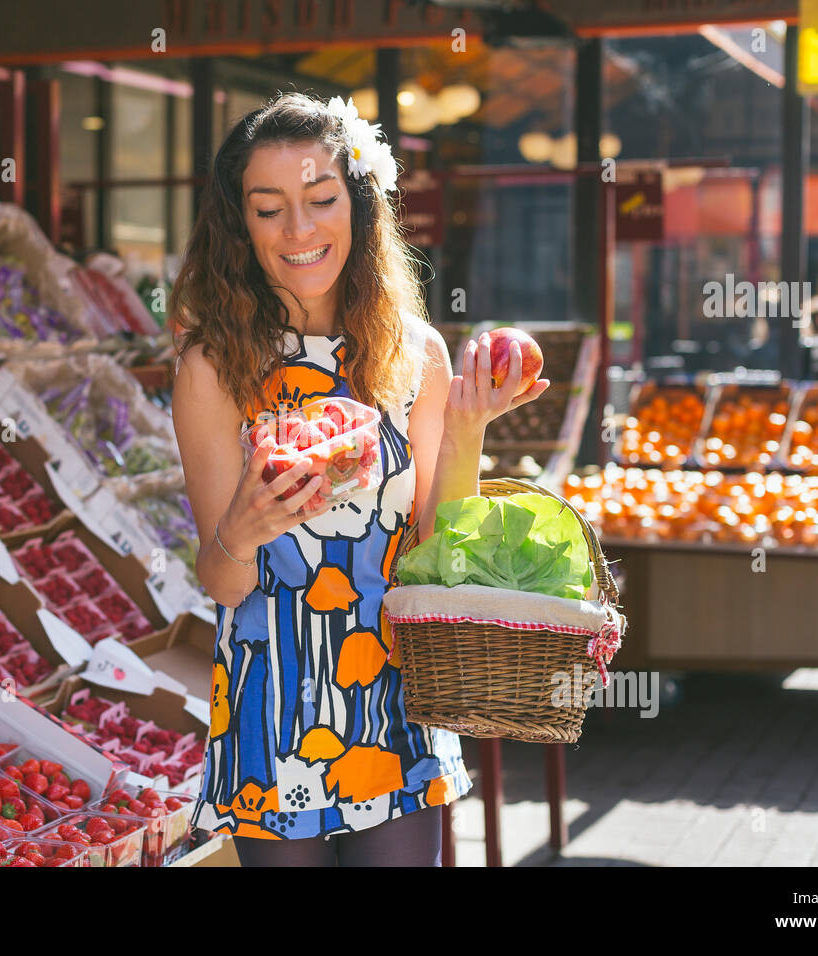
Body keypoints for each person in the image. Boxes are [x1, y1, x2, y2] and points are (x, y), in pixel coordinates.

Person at [168, 92, 550, 867]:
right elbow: (223, 582)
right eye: (268, 208)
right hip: (272, 708)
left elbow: (435, 556)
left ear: (360, 204)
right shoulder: (213, 366)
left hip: (398, 700)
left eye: (321, 200)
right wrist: (241, 529)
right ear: (240, 224)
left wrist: (468, 430)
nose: (298, 230)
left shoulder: (417, 354)